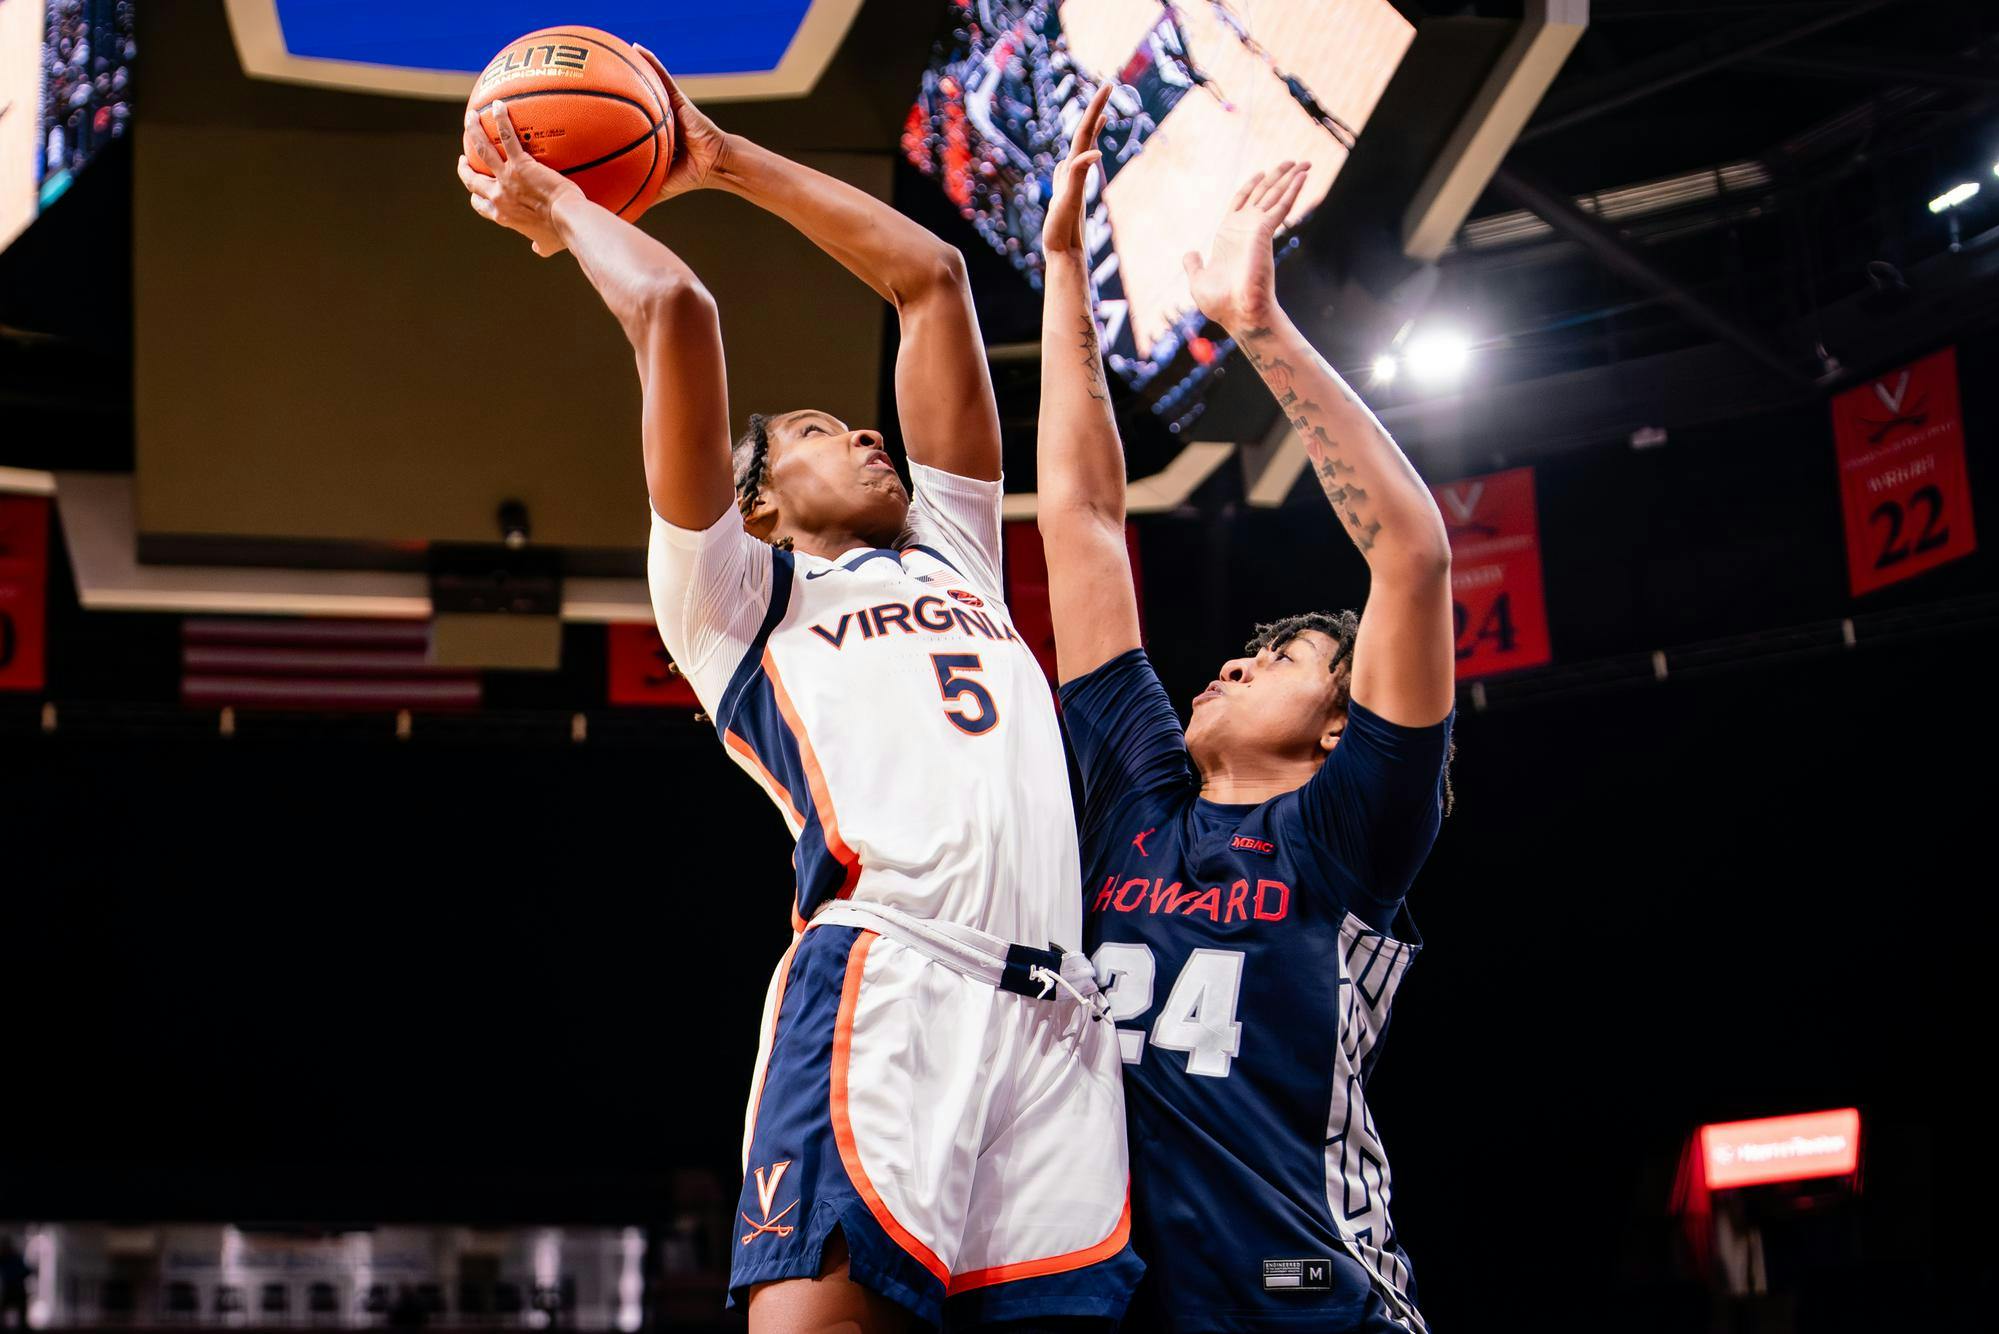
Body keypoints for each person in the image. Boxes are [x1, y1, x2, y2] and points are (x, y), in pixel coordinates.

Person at [458, 62, 1138, 1334]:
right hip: (890, 984)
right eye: (826, 427)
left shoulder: (952, 552)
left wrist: (719, 158)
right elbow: (675, 307)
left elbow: (930, 279)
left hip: (1057, 1027)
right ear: (758, 495)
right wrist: (568, 210)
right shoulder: (733, 597)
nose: (870, 436)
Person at [1036, 111, 1456, 1333]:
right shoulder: (1138, 797)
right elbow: (1082, 520)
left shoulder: (1343, 832)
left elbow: (1410, 557)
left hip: (1307, 1295)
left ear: (1338, 727)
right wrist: (1064, 269)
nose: (1233, 659)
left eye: (1282, 660)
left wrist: (1255, 323)